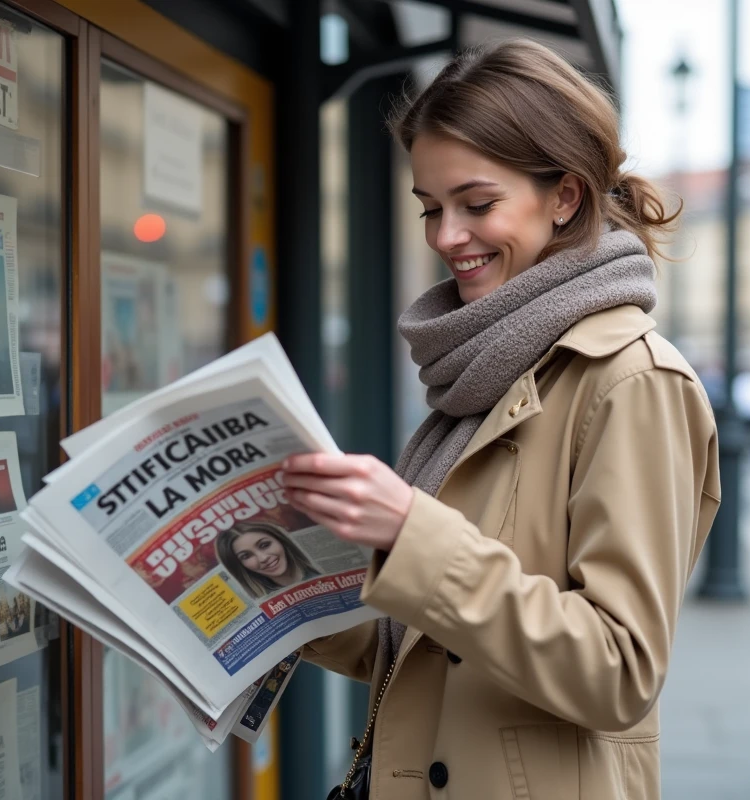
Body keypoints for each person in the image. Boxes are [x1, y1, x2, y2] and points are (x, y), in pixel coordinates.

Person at [280, 40, 720, 800]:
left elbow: (621, 670)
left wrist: (413, 536)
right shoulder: (491, 365)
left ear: (565, 197)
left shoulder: (632, 381)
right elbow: (429, 645)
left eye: (476, 205)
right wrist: (280, 588)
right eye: (429, 208)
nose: (447, 236)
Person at [216, 521, 320, 599]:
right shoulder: (261, 600)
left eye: (264, 545)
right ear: (239, 565)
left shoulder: (318, 569)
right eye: (246, 556)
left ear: (280, 540)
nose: (263, 558)